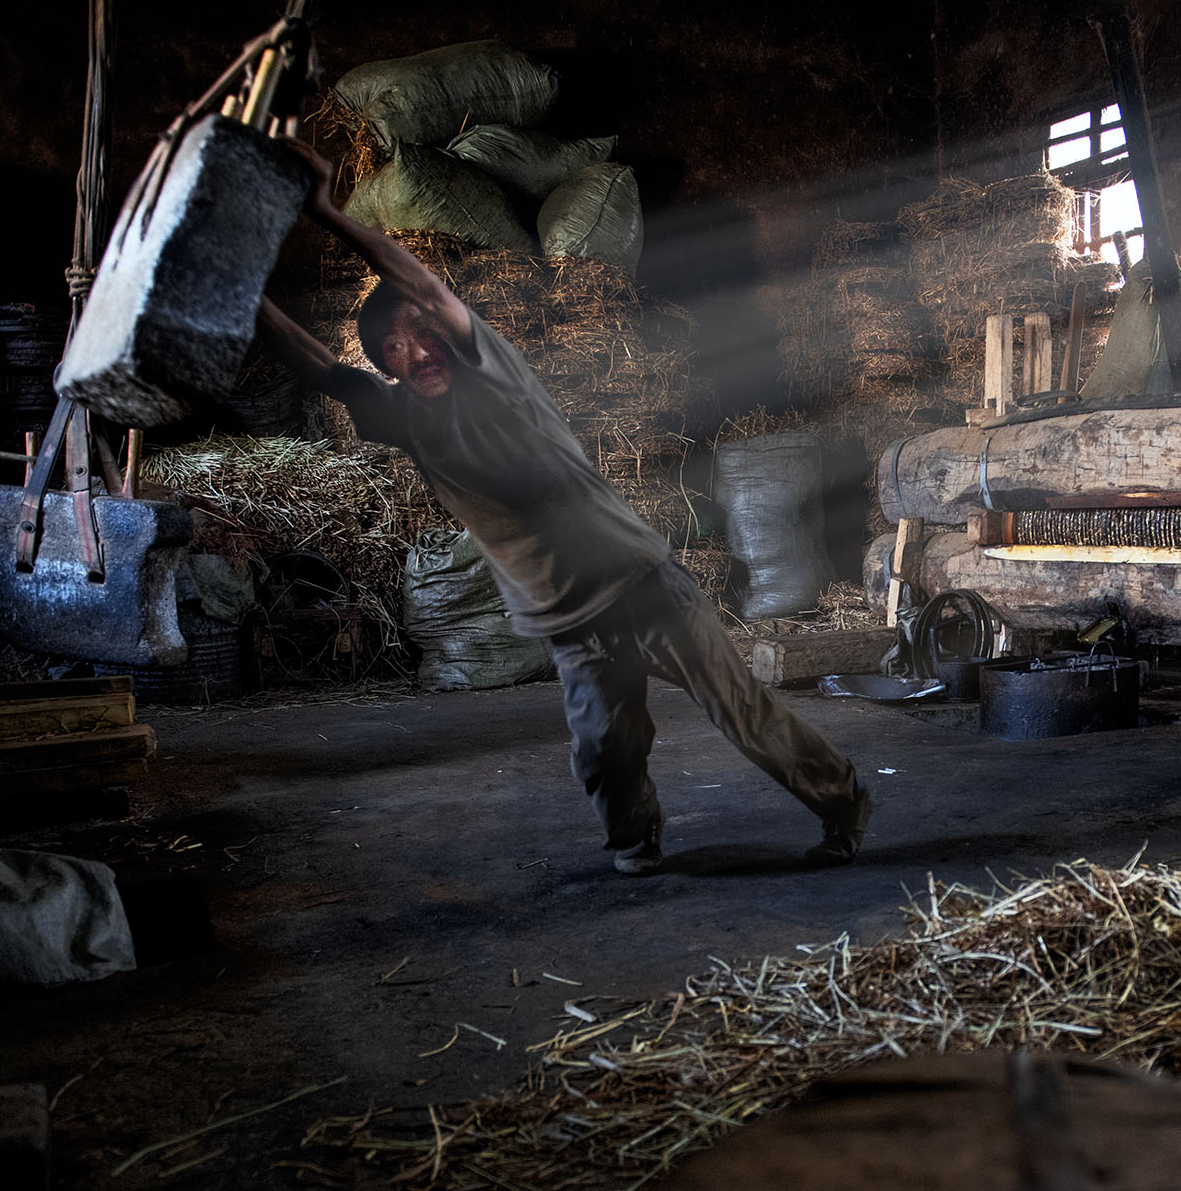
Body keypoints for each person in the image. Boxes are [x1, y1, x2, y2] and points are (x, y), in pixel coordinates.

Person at [254, 144, 873, 875]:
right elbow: (317, 367)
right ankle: (636, 839)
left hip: (644, 585)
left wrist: (327, 213)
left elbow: (420, 280)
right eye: (395, 345)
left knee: (742, 711)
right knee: (603, 747)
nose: (416, 350)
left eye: (424, 332)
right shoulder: (399, 419)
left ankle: (843, 802)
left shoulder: (492, 370)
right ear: (384, 365)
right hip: (572, 624)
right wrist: (243, 297)